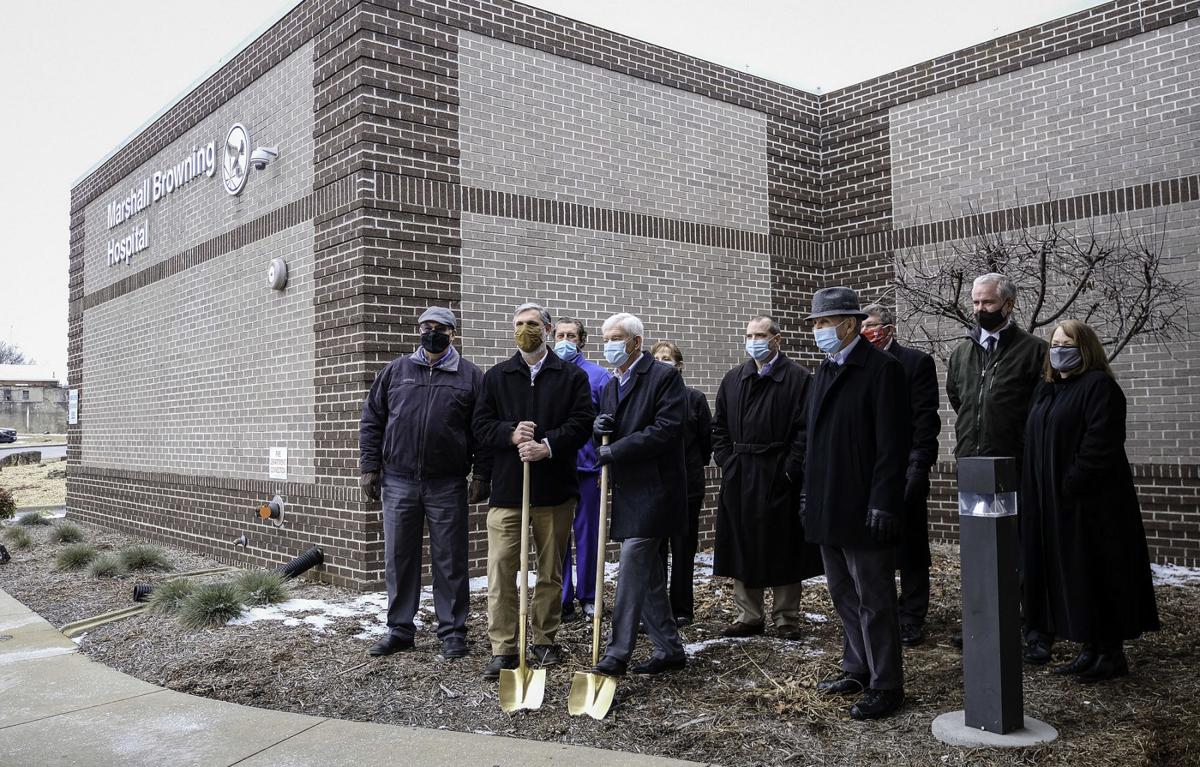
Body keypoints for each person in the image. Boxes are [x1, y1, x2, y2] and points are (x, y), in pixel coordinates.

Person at [1021, 320, 1159, 682]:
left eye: (1066, 344)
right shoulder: (1047, 389)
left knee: (1099, 573)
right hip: (1053, 504)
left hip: (1092, 505)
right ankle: (1089, 647)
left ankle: (1110, 654)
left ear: (1084, 349)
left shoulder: (1099, 387)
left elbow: (1100, 443)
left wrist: (1072, 482)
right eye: (1054, 344)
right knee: (1075, 577)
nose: (1058, 350)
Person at [804, 287, 911, 720]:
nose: (817, 330)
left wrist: (883, 501)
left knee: (874, 597)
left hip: (865, 505)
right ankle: (857, 666)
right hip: (829, 502)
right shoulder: (824, 371)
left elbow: (892, 444)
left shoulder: (882, 370)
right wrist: (808, 495)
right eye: (815, 323)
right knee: (842, 592)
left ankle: (887, 683)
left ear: (849, 324)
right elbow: (813, 441)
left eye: (824, 322)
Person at [358, 307, 490, 659]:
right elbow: (372, 420)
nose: (432, 333)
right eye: (426, 327)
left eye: (440, 328)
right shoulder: (396, 371)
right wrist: (369, 466)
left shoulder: (470, 376)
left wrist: (481, 474)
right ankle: (400, 630)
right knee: (399, 557)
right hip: (398, 480)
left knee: (451, 560)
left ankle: (453, 632)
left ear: (453, 333)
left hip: (447, 483)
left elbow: (482, 431)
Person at [473, 303, 595, 680]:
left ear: (547, 329)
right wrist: (509, 434)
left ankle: (544, 639)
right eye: (518, 324)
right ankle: (504, 647)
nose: (524, 330)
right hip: (508, 491)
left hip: (554, 490)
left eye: (532, 324)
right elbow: (480, 425)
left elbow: (582, 423)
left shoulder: (571, 376)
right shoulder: (497, 376)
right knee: (501, 570)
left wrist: (548, 446)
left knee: (550, 570)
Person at [946, 273, 1050, 660]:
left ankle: (1034, 628)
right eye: (975, 302)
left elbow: (1039, 409)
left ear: (1008, 304)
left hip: (1016, 468)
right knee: (979, 550)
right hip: (974, 468)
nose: (979, 309)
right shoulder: (962, 353)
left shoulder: (1034, 351)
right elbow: (959, 399)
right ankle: (984, 621)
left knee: (1022, 551)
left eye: (987, 302)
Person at [589, 313, 688, 677]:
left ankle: (617, 653)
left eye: (616, 338)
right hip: (628, 489)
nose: (609, 345)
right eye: (605, 339)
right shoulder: (612, 385)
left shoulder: (663, 377)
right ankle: (669, 649)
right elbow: (609, 431)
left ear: (636, 342)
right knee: (649, 577)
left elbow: (667, 429)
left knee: (632, 567)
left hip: (657, 490)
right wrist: (598, 427)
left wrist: (615, 450)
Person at [711, 317, 821, 640]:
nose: (754, 340)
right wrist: (727, 462)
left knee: (784, 543)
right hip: (740, 472)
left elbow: (805, 430)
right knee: (743, 543)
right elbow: (719, 427)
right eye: (749, 335)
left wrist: (790, 469)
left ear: (777, 339)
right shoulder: (734, 378)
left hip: (779, 472)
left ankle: (786, 616)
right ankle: (748, 615)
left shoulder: (798, 378)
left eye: (760, 334)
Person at [863, 304, 941, 647]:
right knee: (873, 545)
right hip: (869, 470)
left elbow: (925, 419)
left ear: (889, 328)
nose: (865, 332)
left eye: (871, 325)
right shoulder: (860, 364)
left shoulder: (914, 362)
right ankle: (883, 609)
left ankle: (912, 615)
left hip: (905, 468)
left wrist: (918, 465)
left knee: (911, 548)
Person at [554, 317, 612, 623]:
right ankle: (562, 597)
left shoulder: (599, 376)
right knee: (557, 535)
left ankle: (588, 595)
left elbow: (610, 424)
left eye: (571, 336)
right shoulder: (548, 374)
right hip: (556, 467)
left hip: (589, 468)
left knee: (588, 534)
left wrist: (605, 465)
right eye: (560, 335)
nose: (565, 341)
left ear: (582, 341)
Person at [652, 340, 713, 626]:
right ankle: (657, 609)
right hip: (655, 488)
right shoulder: (648, 399)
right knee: (655, 551)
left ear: (679, 365)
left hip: (688, 486)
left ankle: (682, 608)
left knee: (683, 549)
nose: (662, 362)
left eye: (667, 358)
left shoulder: (695, 399)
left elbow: (705, 443)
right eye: (657, 358)